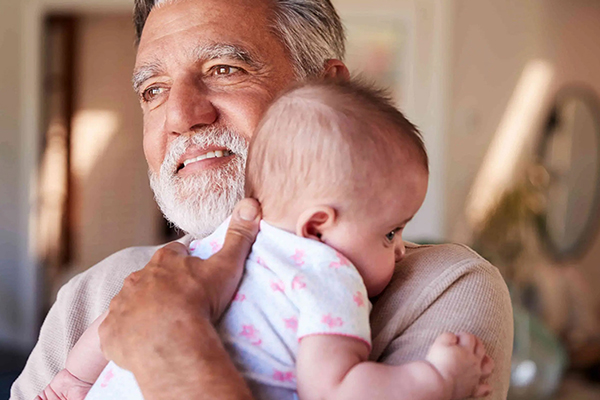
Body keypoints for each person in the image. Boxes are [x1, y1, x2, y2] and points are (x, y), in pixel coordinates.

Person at [11, 0, 513, 399]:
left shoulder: (442, 287)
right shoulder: (92, 293)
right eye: (153, 91)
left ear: (324, 88)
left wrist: (170, 339)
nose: (181, 115)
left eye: (225, 68)